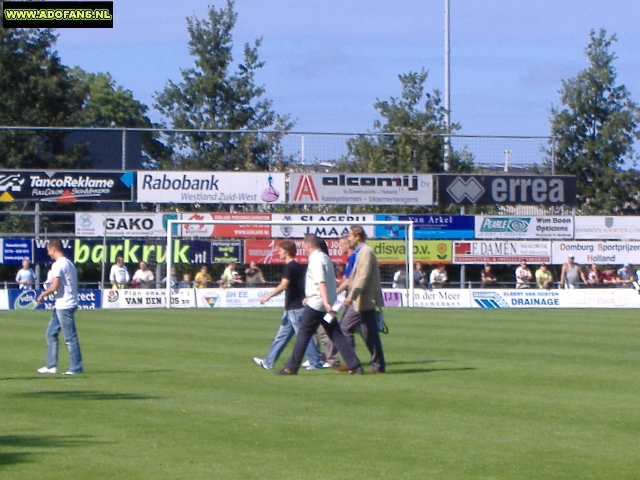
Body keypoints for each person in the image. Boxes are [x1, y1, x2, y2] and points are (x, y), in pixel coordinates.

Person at [274, 234, 363, 375]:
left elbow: (321, 282)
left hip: (318, 305)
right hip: (324, 303)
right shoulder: (326, 258)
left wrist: (325, 302)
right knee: (336, 334)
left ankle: (291, 367)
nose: (304, 249)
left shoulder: (316, 260)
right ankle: (355, 365)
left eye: (305, 246)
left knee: (303, 333)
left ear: (308, 246)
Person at [254, 240, 323, 370]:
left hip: (295, 309)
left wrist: (268, 296)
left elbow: (284, 285)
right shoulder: (297, 266)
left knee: (303, 337)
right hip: (292, 308)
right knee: (281, 337)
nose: (278, 253)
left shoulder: (289, 267)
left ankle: (315, 362)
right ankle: (268, 362)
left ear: (286, 252)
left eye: (280, 251)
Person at [336, 226, 386, 373]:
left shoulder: (365, 253)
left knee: (344, 327)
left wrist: (351, 296)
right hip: (363, 299)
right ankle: (376, 365)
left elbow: (362, 277)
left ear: (358, 237)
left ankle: (352, 363)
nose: (348, 238)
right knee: (368, 333)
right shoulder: (360, 252)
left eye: (350, 236)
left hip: (362, 299)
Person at [36, 238, 83, 375]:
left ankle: (76, 367)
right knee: (51, 333)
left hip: (65, 304)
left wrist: (43, 295)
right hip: (63, 304)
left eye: (49, 250)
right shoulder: (69, 263)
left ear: (54, 249)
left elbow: (55, 286)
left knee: (69, 338)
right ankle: (51, 366)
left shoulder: (59, 264)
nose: (48, 253)